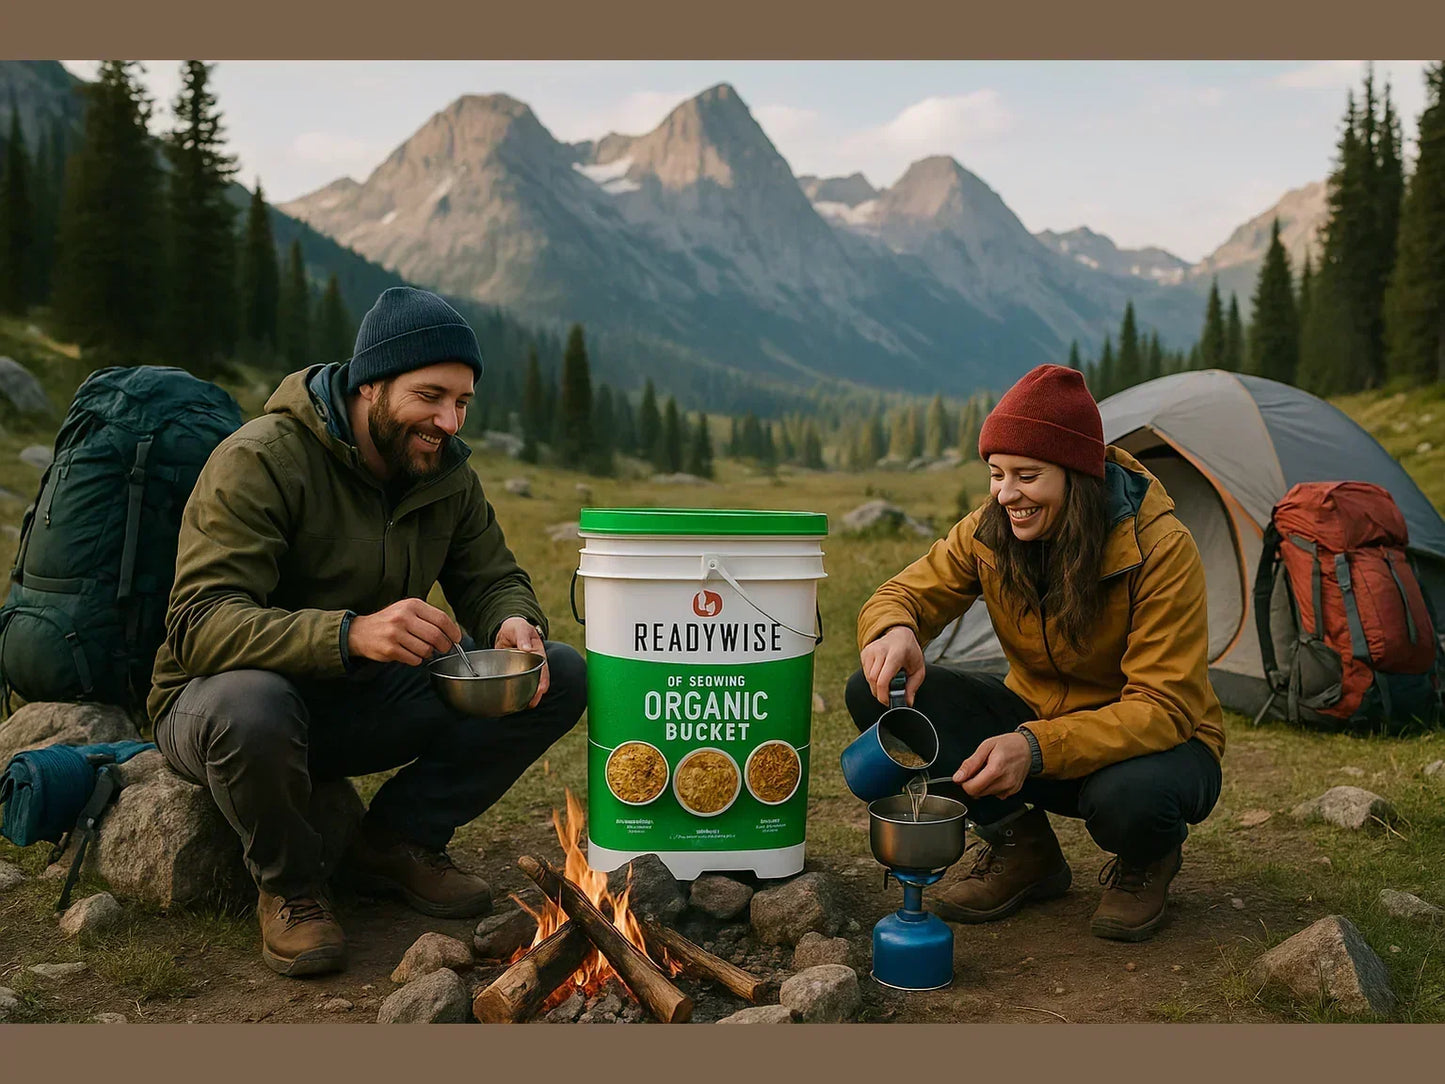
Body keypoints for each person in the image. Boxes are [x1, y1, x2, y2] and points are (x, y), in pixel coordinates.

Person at [149, 287, 587, 977]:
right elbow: (199, 625)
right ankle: (291, 889)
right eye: (431, 396)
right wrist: (349, 634)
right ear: (371, 385)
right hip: (220, 709)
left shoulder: (443, 473)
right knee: (253, 705)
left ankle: (393, 843)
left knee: (557, 672)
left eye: (463, 402)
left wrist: (512, 621)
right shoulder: (261, 458)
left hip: (356, 701)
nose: (448, 420)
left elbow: (492, 575)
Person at [847, 364, 1224, 942]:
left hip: (1154, 745)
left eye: (1027, 475)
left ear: (1078, 475)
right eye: (997, 474)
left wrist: (1035, 746)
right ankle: (1025, 851)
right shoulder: (990, 528)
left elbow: (1163, 707)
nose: (1007, 494)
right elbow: (902, 593)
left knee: (1130, 798)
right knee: (874, 689)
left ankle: (1148, 860)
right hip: (1037, 727)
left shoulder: (1160, 547)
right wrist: (895, 628)